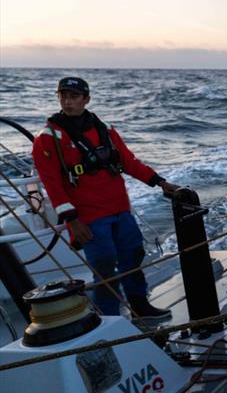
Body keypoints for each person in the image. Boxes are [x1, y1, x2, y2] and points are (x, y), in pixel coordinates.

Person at [32, 77, 180, 318]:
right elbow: (52, 184)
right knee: (104, 267)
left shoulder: (106, 130)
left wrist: (160, 182)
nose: (68, 102)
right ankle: (109, 317)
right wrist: (71, 220)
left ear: (86, 99)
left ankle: (140, 306)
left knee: (132, 258)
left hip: (120, 208)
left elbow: (129, 162)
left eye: (74, 96)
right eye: (63, 96)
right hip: (89, 217)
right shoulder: (48, 138)